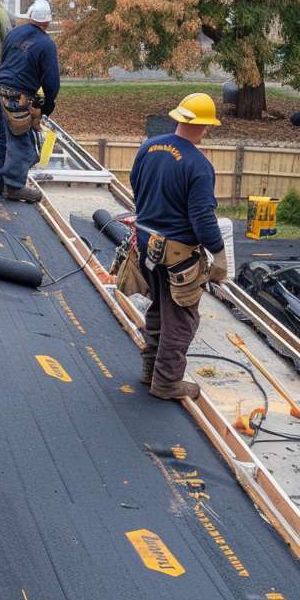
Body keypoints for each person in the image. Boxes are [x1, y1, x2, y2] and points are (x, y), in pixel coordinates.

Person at [128, 92, 229, 401]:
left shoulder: (148, 147)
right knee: (182, 318)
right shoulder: (198, 165)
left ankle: (150, 371)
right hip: (178, 257)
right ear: (203, 126)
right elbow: (201, 216)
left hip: (147, 246)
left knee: (159, 307)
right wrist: (219, 254)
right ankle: (167, 381)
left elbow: (135, 184)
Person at [0, 0, 58, 203]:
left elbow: (6, 62)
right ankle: (14, 186)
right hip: (17, 98)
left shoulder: (15, 33)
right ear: (48, 22)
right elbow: (52, 82)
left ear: (30, 16)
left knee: (3, 139)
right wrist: (47, 107)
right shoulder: (46, 44)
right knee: (22, 146)